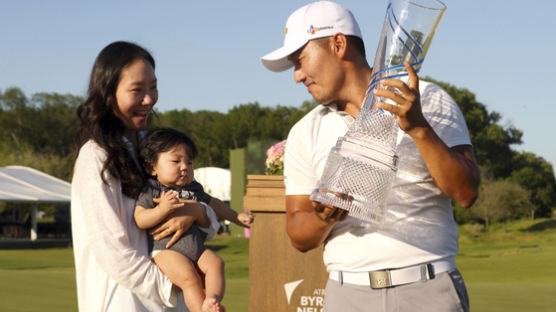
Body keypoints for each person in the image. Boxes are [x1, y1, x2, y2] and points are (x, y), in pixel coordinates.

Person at [261, 1, 480, 311]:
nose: (298, 76)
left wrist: (418, 128)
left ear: (338, 44)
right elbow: (298, 234)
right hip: (346, 294)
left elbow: (466, 192)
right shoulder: (304, 131)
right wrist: (323, 217)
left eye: (300, 59)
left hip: (428, 288)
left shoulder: (428, 100)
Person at [71, 41, 220, 312]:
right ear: (108, 93)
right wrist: (173, 285)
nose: (149, 99)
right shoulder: (95, 156)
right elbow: (112, 251)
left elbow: (208, 221)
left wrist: (197, 212)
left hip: (175, 299)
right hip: (125, 301)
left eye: (153, 87)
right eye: (137, 90)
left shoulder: (154, 148)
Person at [135, 127, 253, 312]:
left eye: (189, 162)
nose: (184, 167)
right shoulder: (152, 189)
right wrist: (161, 209)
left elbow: (215, 204)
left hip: (195, 249)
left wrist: (236, 217)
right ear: (152, 167)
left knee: (216, 263)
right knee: (190, 279)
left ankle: (211, 300)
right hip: (165, 251)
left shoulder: (193, 188)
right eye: (176, 161)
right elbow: (140, 219)